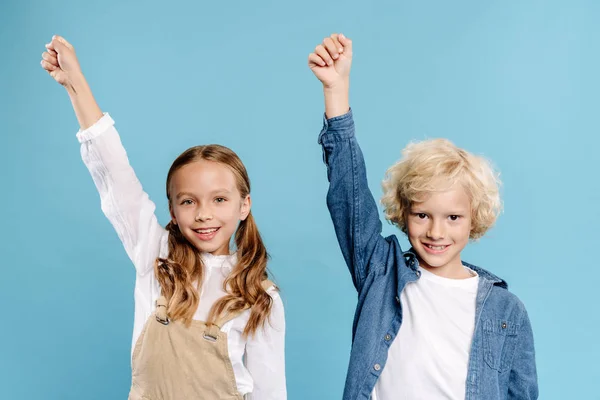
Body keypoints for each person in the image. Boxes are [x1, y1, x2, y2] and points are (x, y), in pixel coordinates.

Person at [41, 35, 286, 400]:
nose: (204, 214)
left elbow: (270, 392)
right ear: (172, 209)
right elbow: (114, 173)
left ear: (244, 205)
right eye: (188, 201)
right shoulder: (155, 257)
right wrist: (76, 84)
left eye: (219, 199)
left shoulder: (260, 297)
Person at [308, 32, 537, 400]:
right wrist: (336, 91)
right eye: (422, 214)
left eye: (453, 218)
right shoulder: (381, 274)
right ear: (404, 211)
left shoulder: (506, 310)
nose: (435, 231)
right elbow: (348, 195)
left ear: (474, 218)